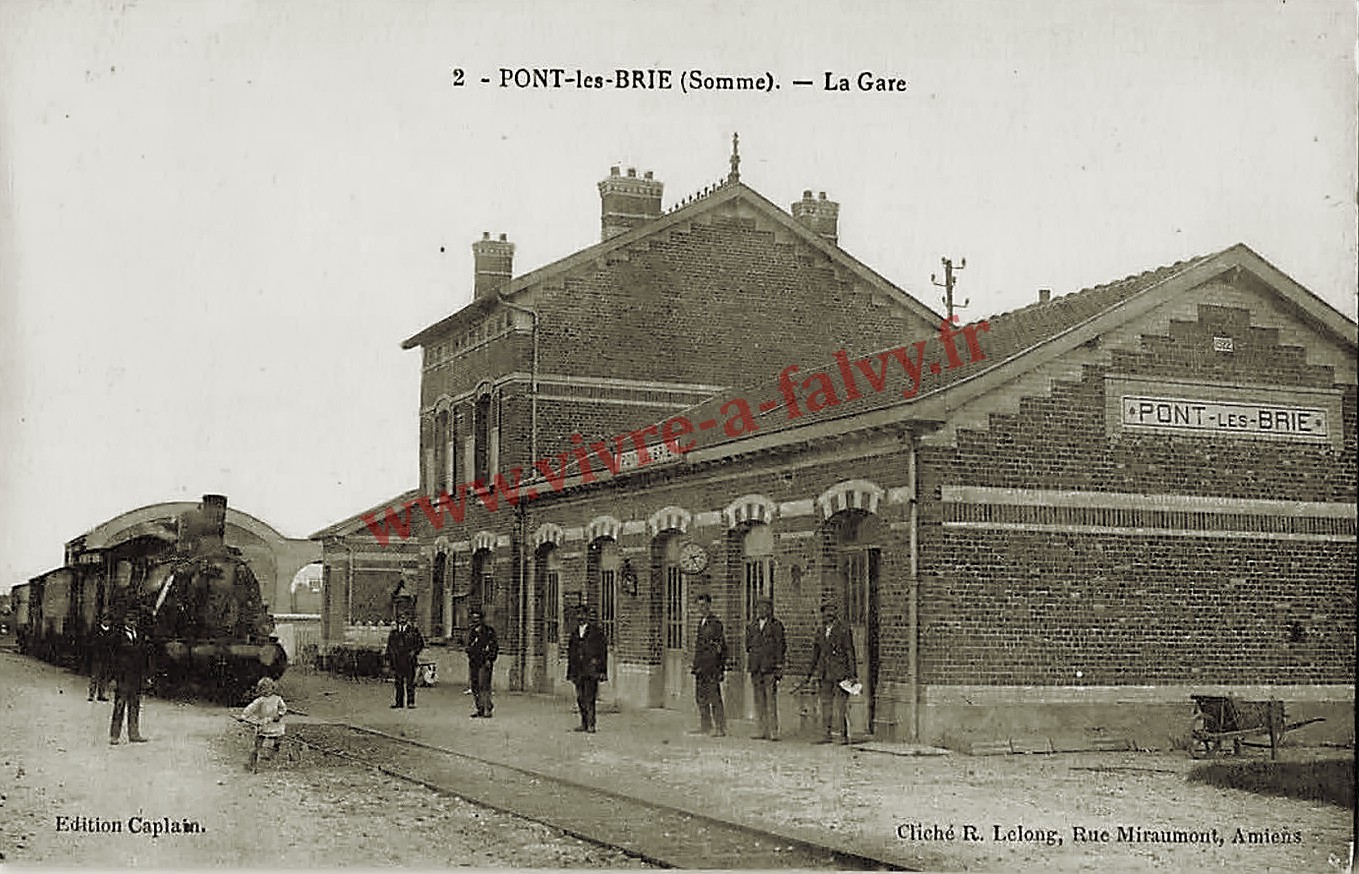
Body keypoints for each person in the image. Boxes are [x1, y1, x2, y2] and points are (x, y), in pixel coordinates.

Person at [806, 599, 856, 744]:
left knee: (841, 706)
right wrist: (810, 673)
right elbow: (816, 654)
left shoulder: (843, 630)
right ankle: (826, 734)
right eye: (825, 613)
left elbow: (849, 652)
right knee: (826, 704)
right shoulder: (820, 631)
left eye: (831, 612)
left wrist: (852, 674)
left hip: (840, 673)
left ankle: (842, 735)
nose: (828, 615)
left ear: (835, 614)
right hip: (824, 672)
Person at [745, 598, 786, 741]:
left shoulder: (776, 626)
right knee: (758, 701)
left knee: (770, 701)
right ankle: (760, 730)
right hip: (756, 668)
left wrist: (779, 666)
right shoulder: (752, 626)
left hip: (770, 668)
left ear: (770, 609)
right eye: (759, 607)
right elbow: (748, 646)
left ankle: (773, 731)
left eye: (765, 607)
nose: (762, 610)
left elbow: (781, 647)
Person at [690, 593, 729, 737]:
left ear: (709, 605)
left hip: (712, 667)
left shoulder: (715, 623)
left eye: (704, 605)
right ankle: (705, 725)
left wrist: (720, 667)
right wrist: (696, 665)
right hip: (701, 667)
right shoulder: (701, 622)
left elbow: (720, 647)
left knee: (714, 697)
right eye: (699, 605)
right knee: (701, 697)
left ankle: (720, 727)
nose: (701, 608)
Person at [109, 611, 150, 744]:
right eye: (130, 620)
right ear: (125, 620)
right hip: (122, 676)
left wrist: (146, 676)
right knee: (120, 705)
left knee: (135, 705)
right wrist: (113, 678)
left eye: (135, 620)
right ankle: (114, 735)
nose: (133, 623)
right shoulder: (117, 636)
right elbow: (112, 659)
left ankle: (134, 733)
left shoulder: (140, 636)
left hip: (136, 677)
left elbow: (144, 657)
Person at [566, 605, 607, 733]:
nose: (580, 617)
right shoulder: (574, 633)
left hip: (591, 669)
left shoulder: (596, 633)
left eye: (582, 614)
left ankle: (591, 724)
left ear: (587, 616)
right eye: (577, 614)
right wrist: (570, 672)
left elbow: (602, 652)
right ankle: (583, 723)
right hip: (578, 669)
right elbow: (571, 653)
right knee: (580, 697)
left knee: (590, 697)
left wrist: (602, 670)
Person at [241, 677, 287, 772]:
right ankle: (252, 763)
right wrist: (244, 716)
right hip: (264, 724)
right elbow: (251, 708)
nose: (265, 691)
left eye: (267, 688)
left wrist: (279, 715)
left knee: (278, 739)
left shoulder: (277, 699)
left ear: (272, 688)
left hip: (275, 723)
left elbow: (283, 708)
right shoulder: (260, 700)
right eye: (262, 689)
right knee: (258, 744)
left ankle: (273, 753)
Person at [385, 614, 424, 709]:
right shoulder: (394, 633)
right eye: (400, 618)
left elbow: (420, 644)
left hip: (409, 660)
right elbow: (390, 646)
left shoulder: (413, 631)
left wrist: (414, 652)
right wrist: (389, 658)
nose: (402, 620)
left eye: (404, 618)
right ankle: (399, 702)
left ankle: (411, 702)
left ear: (407, 619)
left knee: (410, 682)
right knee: (398, 682)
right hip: (397, 660)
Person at [465, 608, 499, 718]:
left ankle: (487, 708)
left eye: (477, 618)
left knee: (484, 685)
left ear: (481, 619)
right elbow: (468, 646)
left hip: (484, 662)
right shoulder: (472, 632)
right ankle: (479, 708)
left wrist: (490, 659)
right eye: (473, 618)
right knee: (475, 686)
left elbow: (494, 647)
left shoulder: (489, 632)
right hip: (474, 662)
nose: (475, 621)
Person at [87, 613, 118, 702]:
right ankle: (91, 694)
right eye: (105, 620)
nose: (107, 622)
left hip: (106, 657)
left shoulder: (111, 632)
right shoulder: (96, 630)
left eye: (108, 620)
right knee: (94, 676)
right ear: (102, 620)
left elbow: (113, 644)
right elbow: (92, 643)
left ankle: (101, 694)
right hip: (97, 656)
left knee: (104, 677)